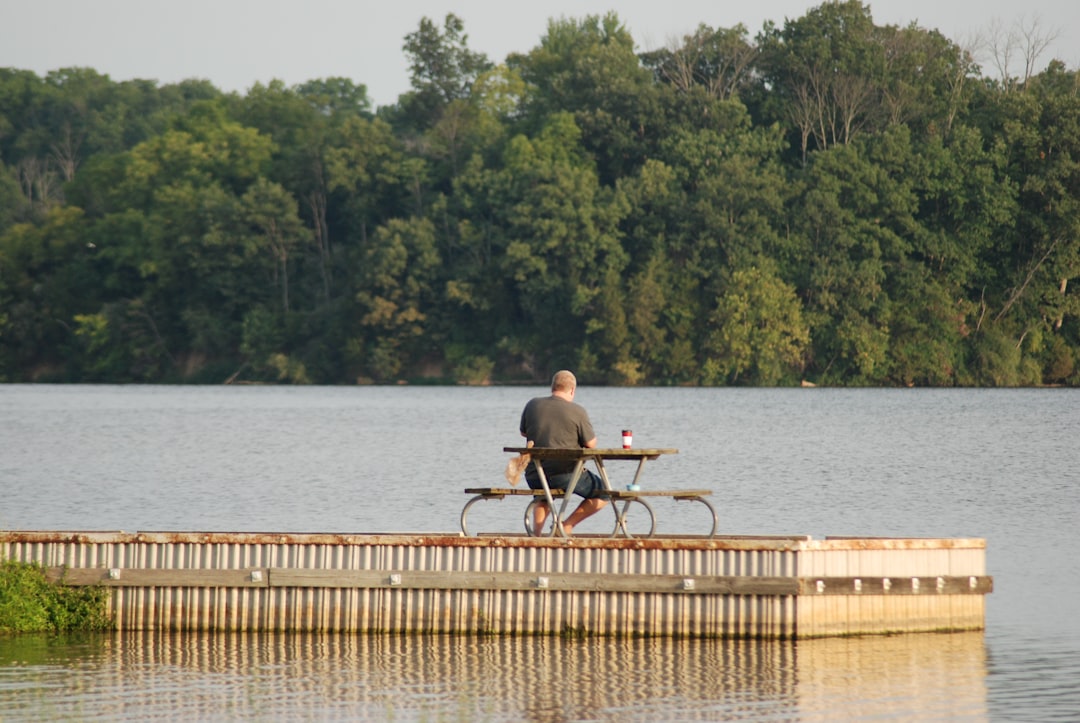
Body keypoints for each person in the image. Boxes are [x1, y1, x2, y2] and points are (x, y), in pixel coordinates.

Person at [519, 370, 608, 535]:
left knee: (543, 495)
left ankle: (536, 534)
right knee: (604, 493)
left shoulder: (532, 404)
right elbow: (591, 444)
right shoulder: (577, 411)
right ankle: (566, 525)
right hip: (564, 474)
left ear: (552, 387)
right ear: (572, 390)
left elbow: (524, 433)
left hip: (534, 473)